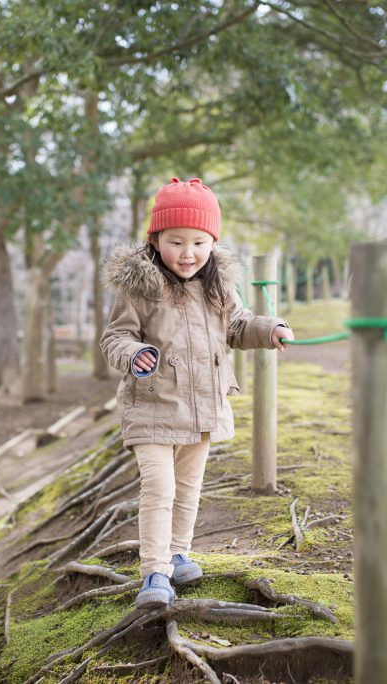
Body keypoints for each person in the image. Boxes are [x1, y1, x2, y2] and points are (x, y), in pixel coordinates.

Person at [100, 177, 294, 609]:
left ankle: (178, 553)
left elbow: (239, 326)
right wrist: (134, 354)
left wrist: (271, 328)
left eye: (199, 243)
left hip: (203, 407)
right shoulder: (140, 287)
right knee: (160, 488)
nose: (187, 254)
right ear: (156, 240)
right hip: (152, 406)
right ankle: (154, 570)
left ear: (212, 243)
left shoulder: (219, 288)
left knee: (189, 488)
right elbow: (115, 337)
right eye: (175, 242)